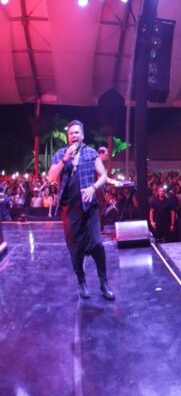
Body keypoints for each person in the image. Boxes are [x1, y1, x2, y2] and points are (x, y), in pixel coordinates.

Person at [48, 120, 114, 300]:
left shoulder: (91, 153)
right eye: (71, 133)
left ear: (82, 135)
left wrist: (93, 188)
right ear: (68, 137)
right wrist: (64, 159)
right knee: (75, 250)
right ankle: (82, 282)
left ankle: (103, 283)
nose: (74, 136)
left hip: (89, 209)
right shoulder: (60, 154)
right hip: (69, 211)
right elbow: (51, 177)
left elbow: (104, 176)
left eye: (77, 133)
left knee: (97, 245)